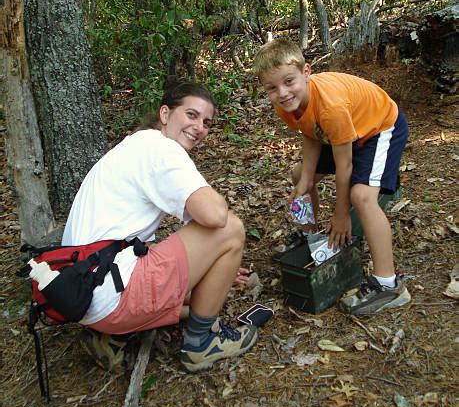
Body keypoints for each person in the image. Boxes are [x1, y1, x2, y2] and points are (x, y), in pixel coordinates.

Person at [62, 81, 258, 372]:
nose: (200, 127)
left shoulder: (135, 144)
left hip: (79, 294)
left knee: (194, 280)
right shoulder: (161, 149)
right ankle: (201, 343)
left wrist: (212, 269)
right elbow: (215, 216)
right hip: (112, 297)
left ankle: (109, 337)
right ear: (165, 114)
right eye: (191, 115)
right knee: (230, 229)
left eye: (207, 122)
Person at [253, 38, 411, 316]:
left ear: (306, 72)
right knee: (299, 175)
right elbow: (311, 133)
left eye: (289, 81)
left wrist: (341, 215)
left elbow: (345, 165)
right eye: (272, 88)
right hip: (343, 133)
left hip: (379, 128)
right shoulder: (286, 104)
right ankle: (308, 233)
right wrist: (306, 180)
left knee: (361, 196)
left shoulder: (331, 107)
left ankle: (388, 284)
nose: (282, 92)